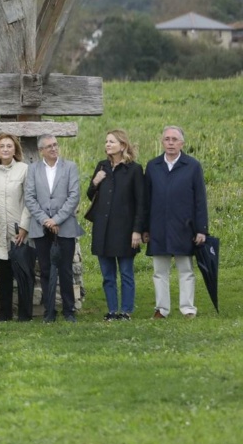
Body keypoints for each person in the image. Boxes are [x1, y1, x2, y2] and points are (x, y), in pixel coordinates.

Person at [143, 125, 208, 319]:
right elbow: (147, 199)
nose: (170, 143)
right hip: (158, 227)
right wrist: (144, 228)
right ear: (162, 142)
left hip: (184, 227)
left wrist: (201, 229)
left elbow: (200, 200)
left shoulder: (192, 166)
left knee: (186, 270)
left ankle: (188, 308)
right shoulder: (153, 166)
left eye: (174, 139)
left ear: (182, 143)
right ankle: (161, 309)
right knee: (159, 271)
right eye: (167, 139)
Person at [85, 130, 145, 320]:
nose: (107, 144)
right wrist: (95, 182)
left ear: (123, 145)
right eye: (106, 141)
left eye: (112, 141)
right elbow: (90, 195)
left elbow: (141, 203)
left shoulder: (134, 169)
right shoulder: (102, 166)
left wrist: (137, 230)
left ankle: (125, 311)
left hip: (126, 230)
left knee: (126, 273)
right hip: (103, 229)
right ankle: (112, 311)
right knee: (108, 275)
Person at [24, 134, 82, 323]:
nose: (53, 149)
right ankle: (49, 311)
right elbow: (29, 197)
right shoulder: (33, 170)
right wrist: (45, 220)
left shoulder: (70, 167)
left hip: (64, 227)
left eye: (55, 145)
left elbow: (74, 196)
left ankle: (69, 310)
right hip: (41, 228)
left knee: (65, 269)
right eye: (49, 146)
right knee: (46, 269)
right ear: (41, 150)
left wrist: (56, 220)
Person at [0, 133, 32, 321]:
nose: (5, 149)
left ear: (15, 149)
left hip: (18, 230)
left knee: (23, 272)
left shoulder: (24, 169)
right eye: (1, 146)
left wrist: (25, 227)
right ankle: (5, 314)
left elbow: (29, 200)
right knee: (4, 273)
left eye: (9, 146)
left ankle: (25, 314)